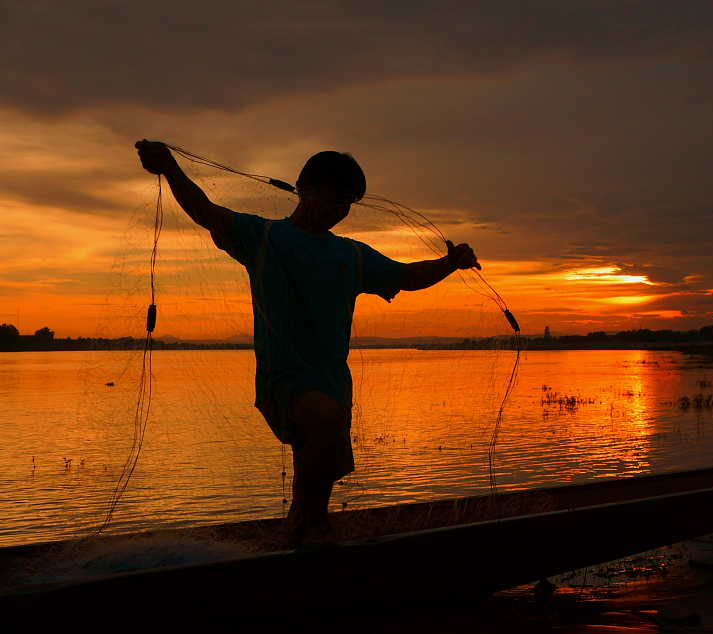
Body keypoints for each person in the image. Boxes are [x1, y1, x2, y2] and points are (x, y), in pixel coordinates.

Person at [135, 140, 481, 546]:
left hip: (333, 384)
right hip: (284, 382)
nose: (338, 211)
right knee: (322, 423)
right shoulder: (263, 237)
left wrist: (450, 263)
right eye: (333, 199)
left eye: (347, 204)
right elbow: (205, 211)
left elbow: (407, 276)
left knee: (318, 463)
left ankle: (302, 532)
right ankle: (306, 527)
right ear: (304, 188)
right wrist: (170, 168)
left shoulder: (351, 255)